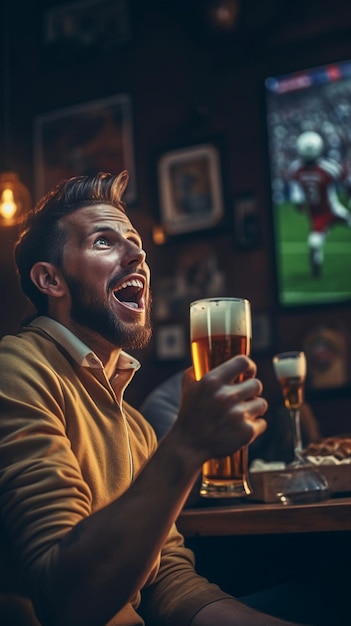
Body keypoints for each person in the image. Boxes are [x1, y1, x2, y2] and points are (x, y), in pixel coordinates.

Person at [0, 170, 320, 626]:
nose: (138, 254)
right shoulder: (17, 369)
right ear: (51, 280)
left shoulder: (134, 424)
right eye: (104, 242)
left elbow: (167, 581)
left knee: (318, 595)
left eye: (135, 243)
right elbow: (64, 601)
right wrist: (186, 446)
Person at [287, 130, 351, 277]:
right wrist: (298, 201)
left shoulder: (328, 168)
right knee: (314, 243)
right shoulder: (296, 169)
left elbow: (345, 180)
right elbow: (296, 188)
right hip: (317, 215)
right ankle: (316, 266)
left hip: (333, 209)